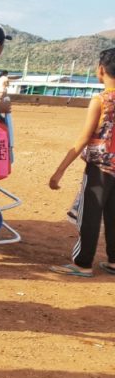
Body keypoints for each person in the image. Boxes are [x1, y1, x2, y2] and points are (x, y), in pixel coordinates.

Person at [47, 48, 115, 277]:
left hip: (99, 169)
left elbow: (84, 138)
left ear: (101, 70)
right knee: (114, 214)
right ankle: (114, 261)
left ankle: (83, 263)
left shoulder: (101, 100)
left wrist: (59, 171)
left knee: (90, 215)